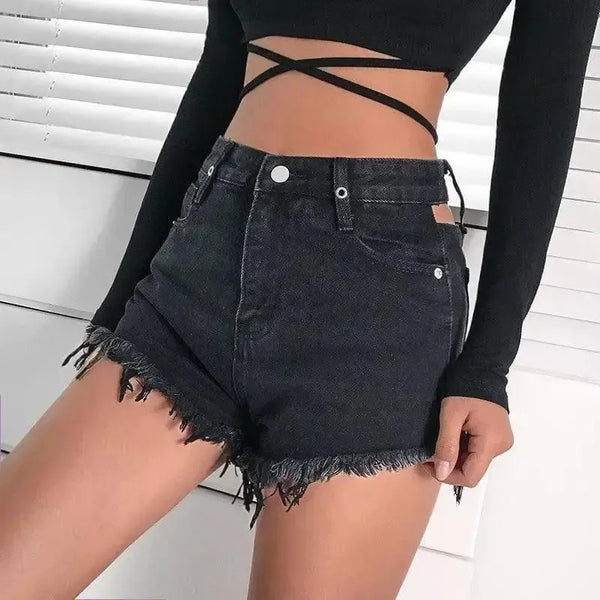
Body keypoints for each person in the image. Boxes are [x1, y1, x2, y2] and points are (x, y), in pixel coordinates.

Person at [1, 1, 598, 598]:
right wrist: (124, 301)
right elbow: (220, 70)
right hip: (201, 262)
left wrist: (488, 366)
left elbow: (542, 111)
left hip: (377, 303)